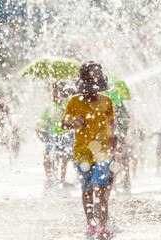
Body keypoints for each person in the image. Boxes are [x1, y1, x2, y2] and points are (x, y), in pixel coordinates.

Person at [62, 61, 116, 239]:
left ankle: (103, 225)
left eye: (96, 89)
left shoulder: (106, 101)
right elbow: (64, 124)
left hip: (102, 153)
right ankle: (90, 223)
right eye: (89, 89)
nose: (92, 93)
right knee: (87, 190)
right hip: (82, 153)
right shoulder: (74, 102)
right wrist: (74, 123)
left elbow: (111, 122)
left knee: (100, 188)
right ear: (82, 86)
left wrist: (113, 136)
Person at [36, 81, 74, 187]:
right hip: (52, 135)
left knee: (65, 158)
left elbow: (73, 117)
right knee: (51, 157)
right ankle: (51, 178)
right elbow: (42, 121)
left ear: (62, 92)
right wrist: (39, 129)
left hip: (65, 134)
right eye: (54, 92)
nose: (56, 94)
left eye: (58, 91)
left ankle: (62, 178)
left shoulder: (67, 103)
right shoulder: (49, 107)